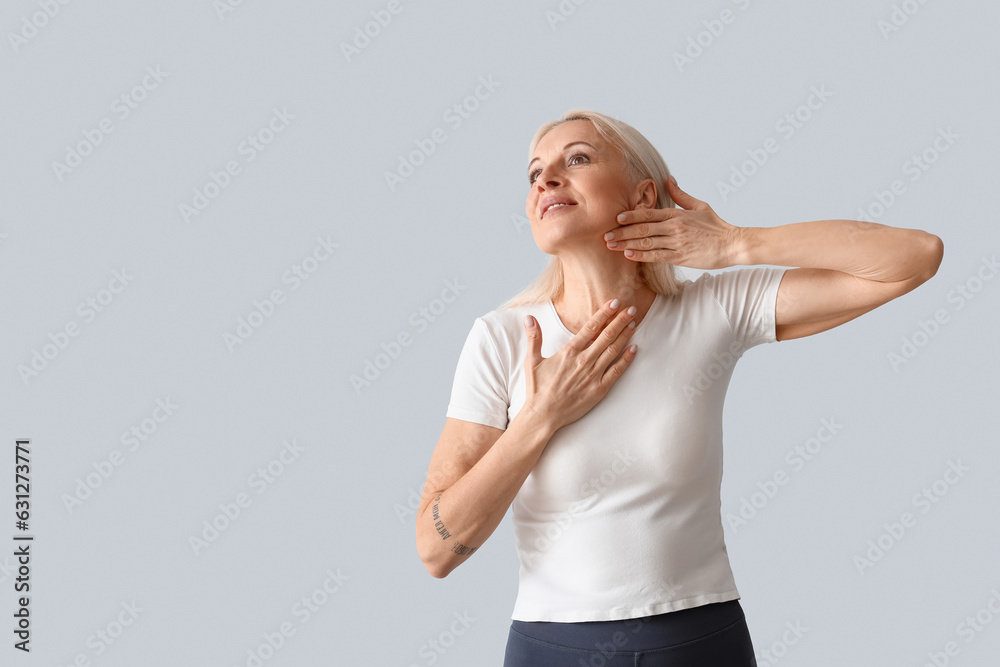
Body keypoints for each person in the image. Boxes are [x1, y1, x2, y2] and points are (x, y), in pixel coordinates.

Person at [415, 109, 943, 666]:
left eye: (577, 158)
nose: (546, 179)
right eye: (534, 172)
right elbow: (436, 549)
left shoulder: (714, 311)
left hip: (700, 642)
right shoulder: (501, 339)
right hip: (553, 648)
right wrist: (542, 414)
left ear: (643, 196)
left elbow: (916, 257)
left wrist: (737, 244)